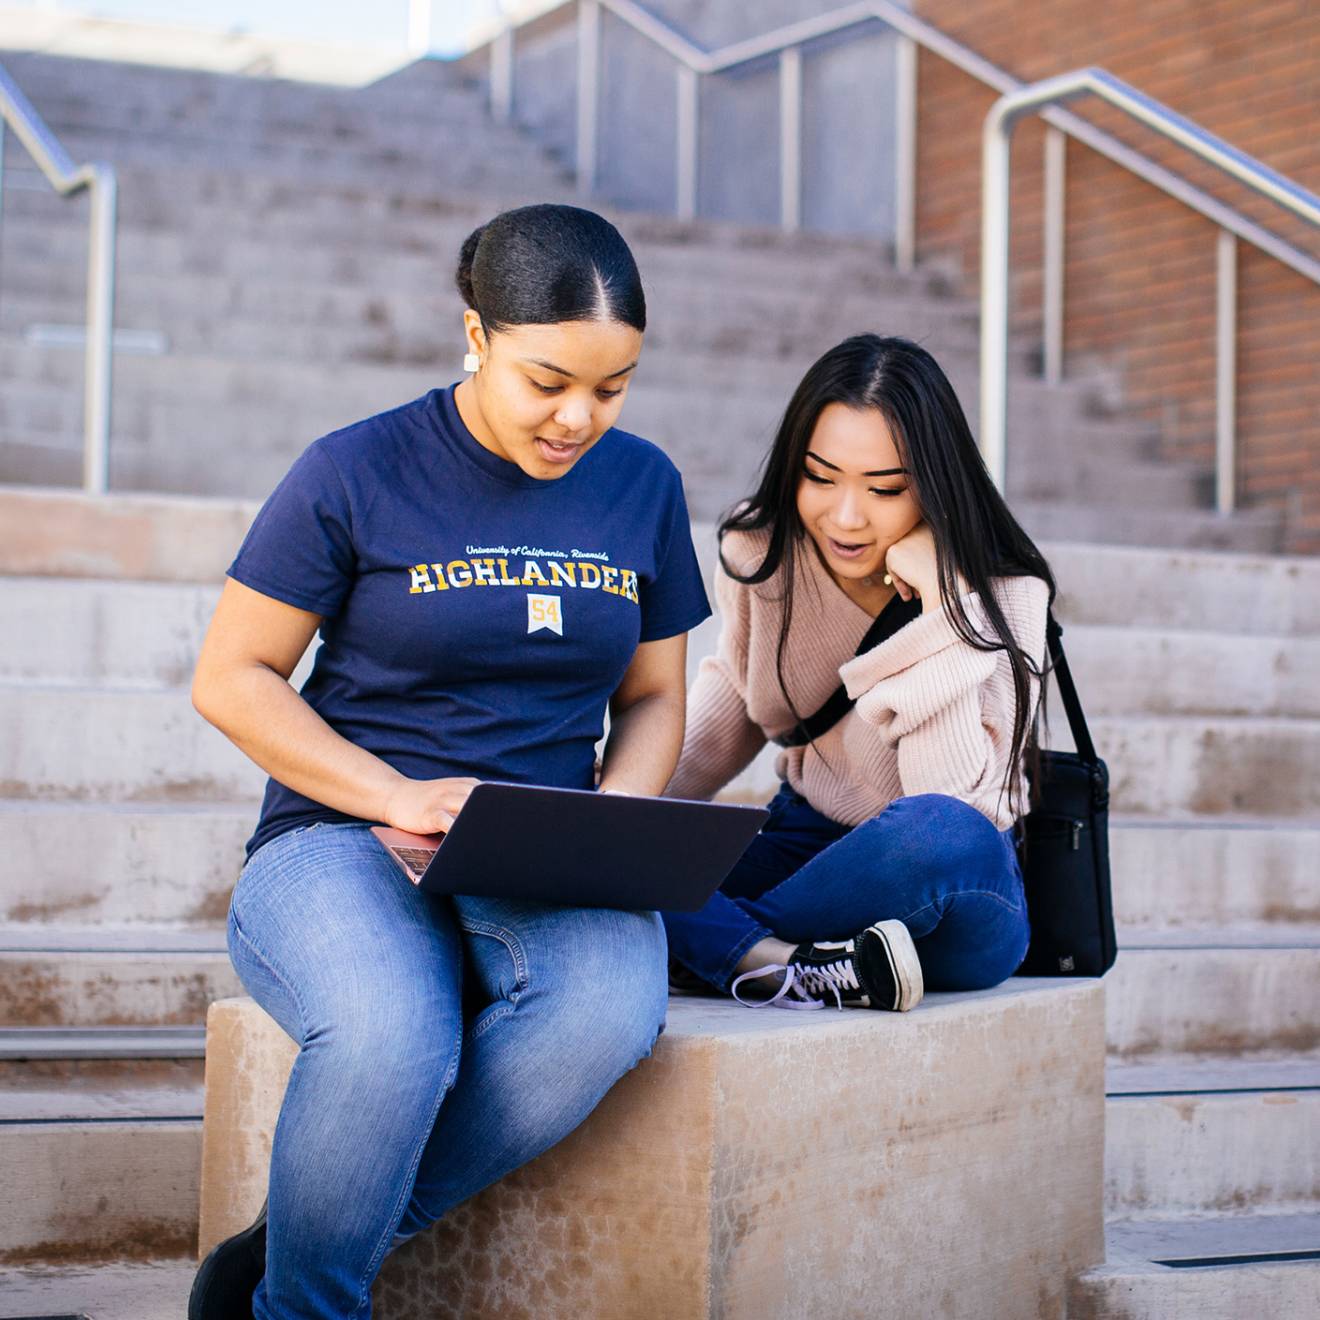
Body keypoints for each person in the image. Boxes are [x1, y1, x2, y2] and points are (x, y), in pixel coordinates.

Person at [188, 203, 710, 1319]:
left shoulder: (644, 486)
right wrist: (396, 796)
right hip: (340, 834)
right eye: (548, 381)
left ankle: (300, 1261)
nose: (579, 417)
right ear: (476, 335)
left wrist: (614, 823)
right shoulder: (354, 468)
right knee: (390, 1039)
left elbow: (658, 693)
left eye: (611, 389)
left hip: (543, 847)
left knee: (606, 1017)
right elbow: (231, 677)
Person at [664, 334, 1054, 1012]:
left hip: (954, 884)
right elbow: (735, 694)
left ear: (933, 486)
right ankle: (793, 963)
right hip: (807, 843)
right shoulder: (766, 552)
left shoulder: (1005, 593)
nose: (845, 517)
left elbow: (949, 800)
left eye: (885, 489)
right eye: (820, 477)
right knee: (618, 862)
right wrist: (612, 809)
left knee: (937, 832)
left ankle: (720, 947)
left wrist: (943, 606)